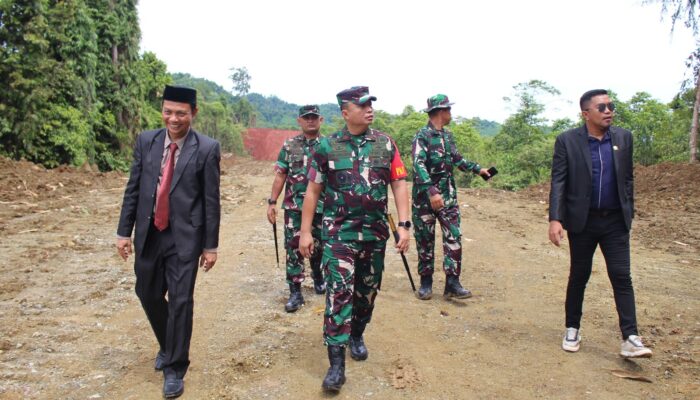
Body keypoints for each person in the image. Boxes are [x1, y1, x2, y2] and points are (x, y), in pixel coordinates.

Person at [299, 86, 410, 392]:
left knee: (367, 292)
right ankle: (336, 365)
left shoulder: (385, 144)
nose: (369, 108)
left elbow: (399, 184)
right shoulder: (326, 146)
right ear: (345, 112)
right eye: (362, 105)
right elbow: (313, 191)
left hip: (374, 235)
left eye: (371, 103)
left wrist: (404, 224)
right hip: (338, 235)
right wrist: (306, 231)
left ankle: (357, 332)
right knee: (338, 293)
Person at [115, 85, 221, 398]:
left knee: (180, 301)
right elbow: (133, 189)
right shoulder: (146, 141)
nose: (173, 119)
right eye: (168, 111)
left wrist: (210, 245)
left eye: (181, 113)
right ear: (162, 110)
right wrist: (124, 232)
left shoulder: (206, 148)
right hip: (149, 233)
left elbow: (211, 201)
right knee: (146, 292)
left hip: (185, 238)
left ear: (193, 114)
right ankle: (168, 341)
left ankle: (175, 367)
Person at [548, 89, 652, 358]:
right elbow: (559, 181)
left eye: (611, 106)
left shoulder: (623, 138)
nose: (609, 111)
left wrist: (629, 208)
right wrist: (555, 219)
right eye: (602, 107)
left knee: (621, 276)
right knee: (579, 276)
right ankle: (572, 328)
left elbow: (627, 178)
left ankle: (630, 337)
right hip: (583, 221)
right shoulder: (567, 141)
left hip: (615, 221)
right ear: (586, 114)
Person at [411, 94, 490, 300]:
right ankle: (425, 283)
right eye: (448, 110)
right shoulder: (422, 136)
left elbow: (456, 158)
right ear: (440, 111)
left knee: (453, 236)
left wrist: (478, 170)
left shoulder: (447, 136)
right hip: (425, 200)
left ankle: (452, 283)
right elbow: (418, 164)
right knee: (425, 240)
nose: (450, 114)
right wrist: (431, 191)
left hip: (448, 197)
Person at [267, 105, 326, 312]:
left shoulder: (328, 146)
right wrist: (272, 202)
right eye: (306, 118)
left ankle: (318, 275)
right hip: (294, 207)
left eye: (314, 117)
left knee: (319, 246)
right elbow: (281, 174)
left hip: (322, 207)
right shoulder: (290, 145)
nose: (310, 121)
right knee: (293, 249)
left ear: (321, 120)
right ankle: (295, 291)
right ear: (299, 121)